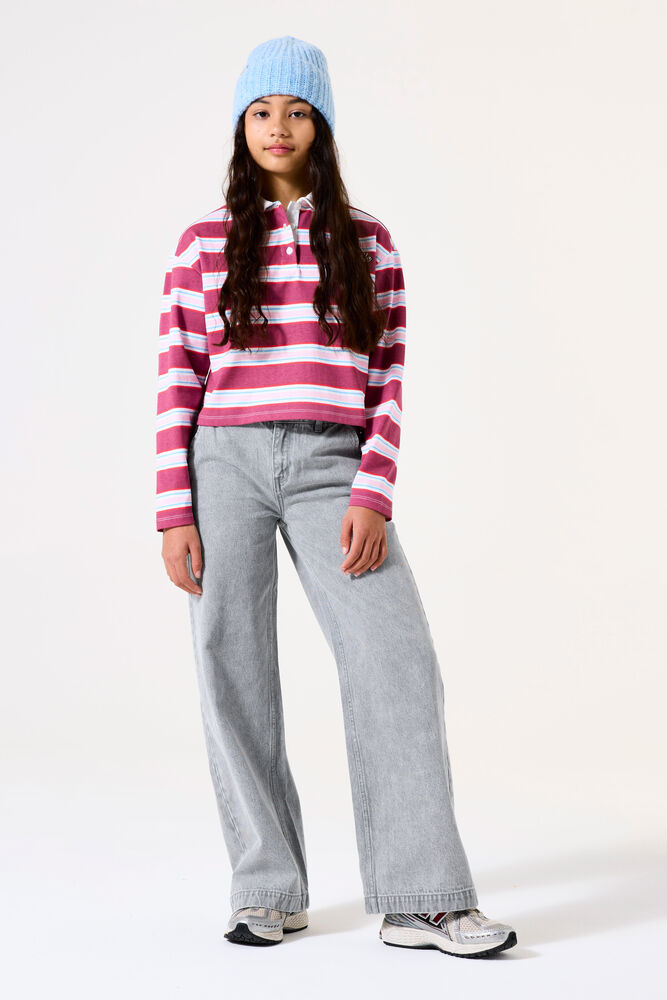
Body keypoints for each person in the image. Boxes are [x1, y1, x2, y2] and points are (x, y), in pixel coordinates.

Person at [155, 34, 517, 959]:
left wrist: (373, 490)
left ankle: (421, 897)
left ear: (320, 126)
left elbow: (388, 375)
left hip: (332, 464)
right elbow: (177, 378)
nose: (277, 126)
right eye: (261, 110)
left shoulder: (367, 241)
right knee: (231, 666)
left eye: (296, 110)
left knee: (395, 659)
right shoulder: (202, 243)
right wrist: (174, 511)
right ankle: (266, 889)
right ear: (241, 125)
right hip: (223, 461)